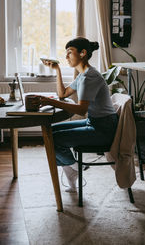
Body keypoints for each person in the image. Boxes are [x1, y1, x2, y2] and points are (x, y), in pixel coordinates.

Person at [37, 37, 118, 192]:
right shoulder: (82, 75)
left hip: (104, 129)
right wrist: (57, 70)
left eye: (70, 52)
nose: (66, 57)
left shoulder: (89, 77)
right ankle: (74, 171)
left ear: (82, 53)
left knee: (52, 138)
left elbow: (81, 110)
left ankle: (77, 167)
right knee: (49, 132)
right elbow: (62, 94)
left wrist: (50, 102)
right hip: (94, 123)